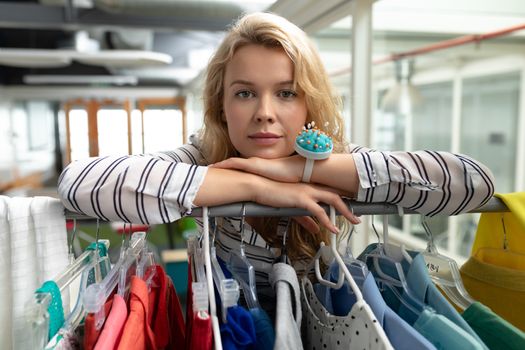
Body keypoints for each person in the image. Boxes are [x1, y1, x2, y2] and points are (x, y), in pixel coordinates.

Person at [57, 12, 495, 313]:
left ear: (309, 105)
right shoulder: (206, 155)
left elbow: (474, 181)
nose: (264, 112)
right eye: (245, 93)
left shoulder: (340, 159)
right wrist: (258, 187)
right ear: (222, 106)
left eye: (285, 93)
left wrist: (298, 170)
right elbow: (80, 183)